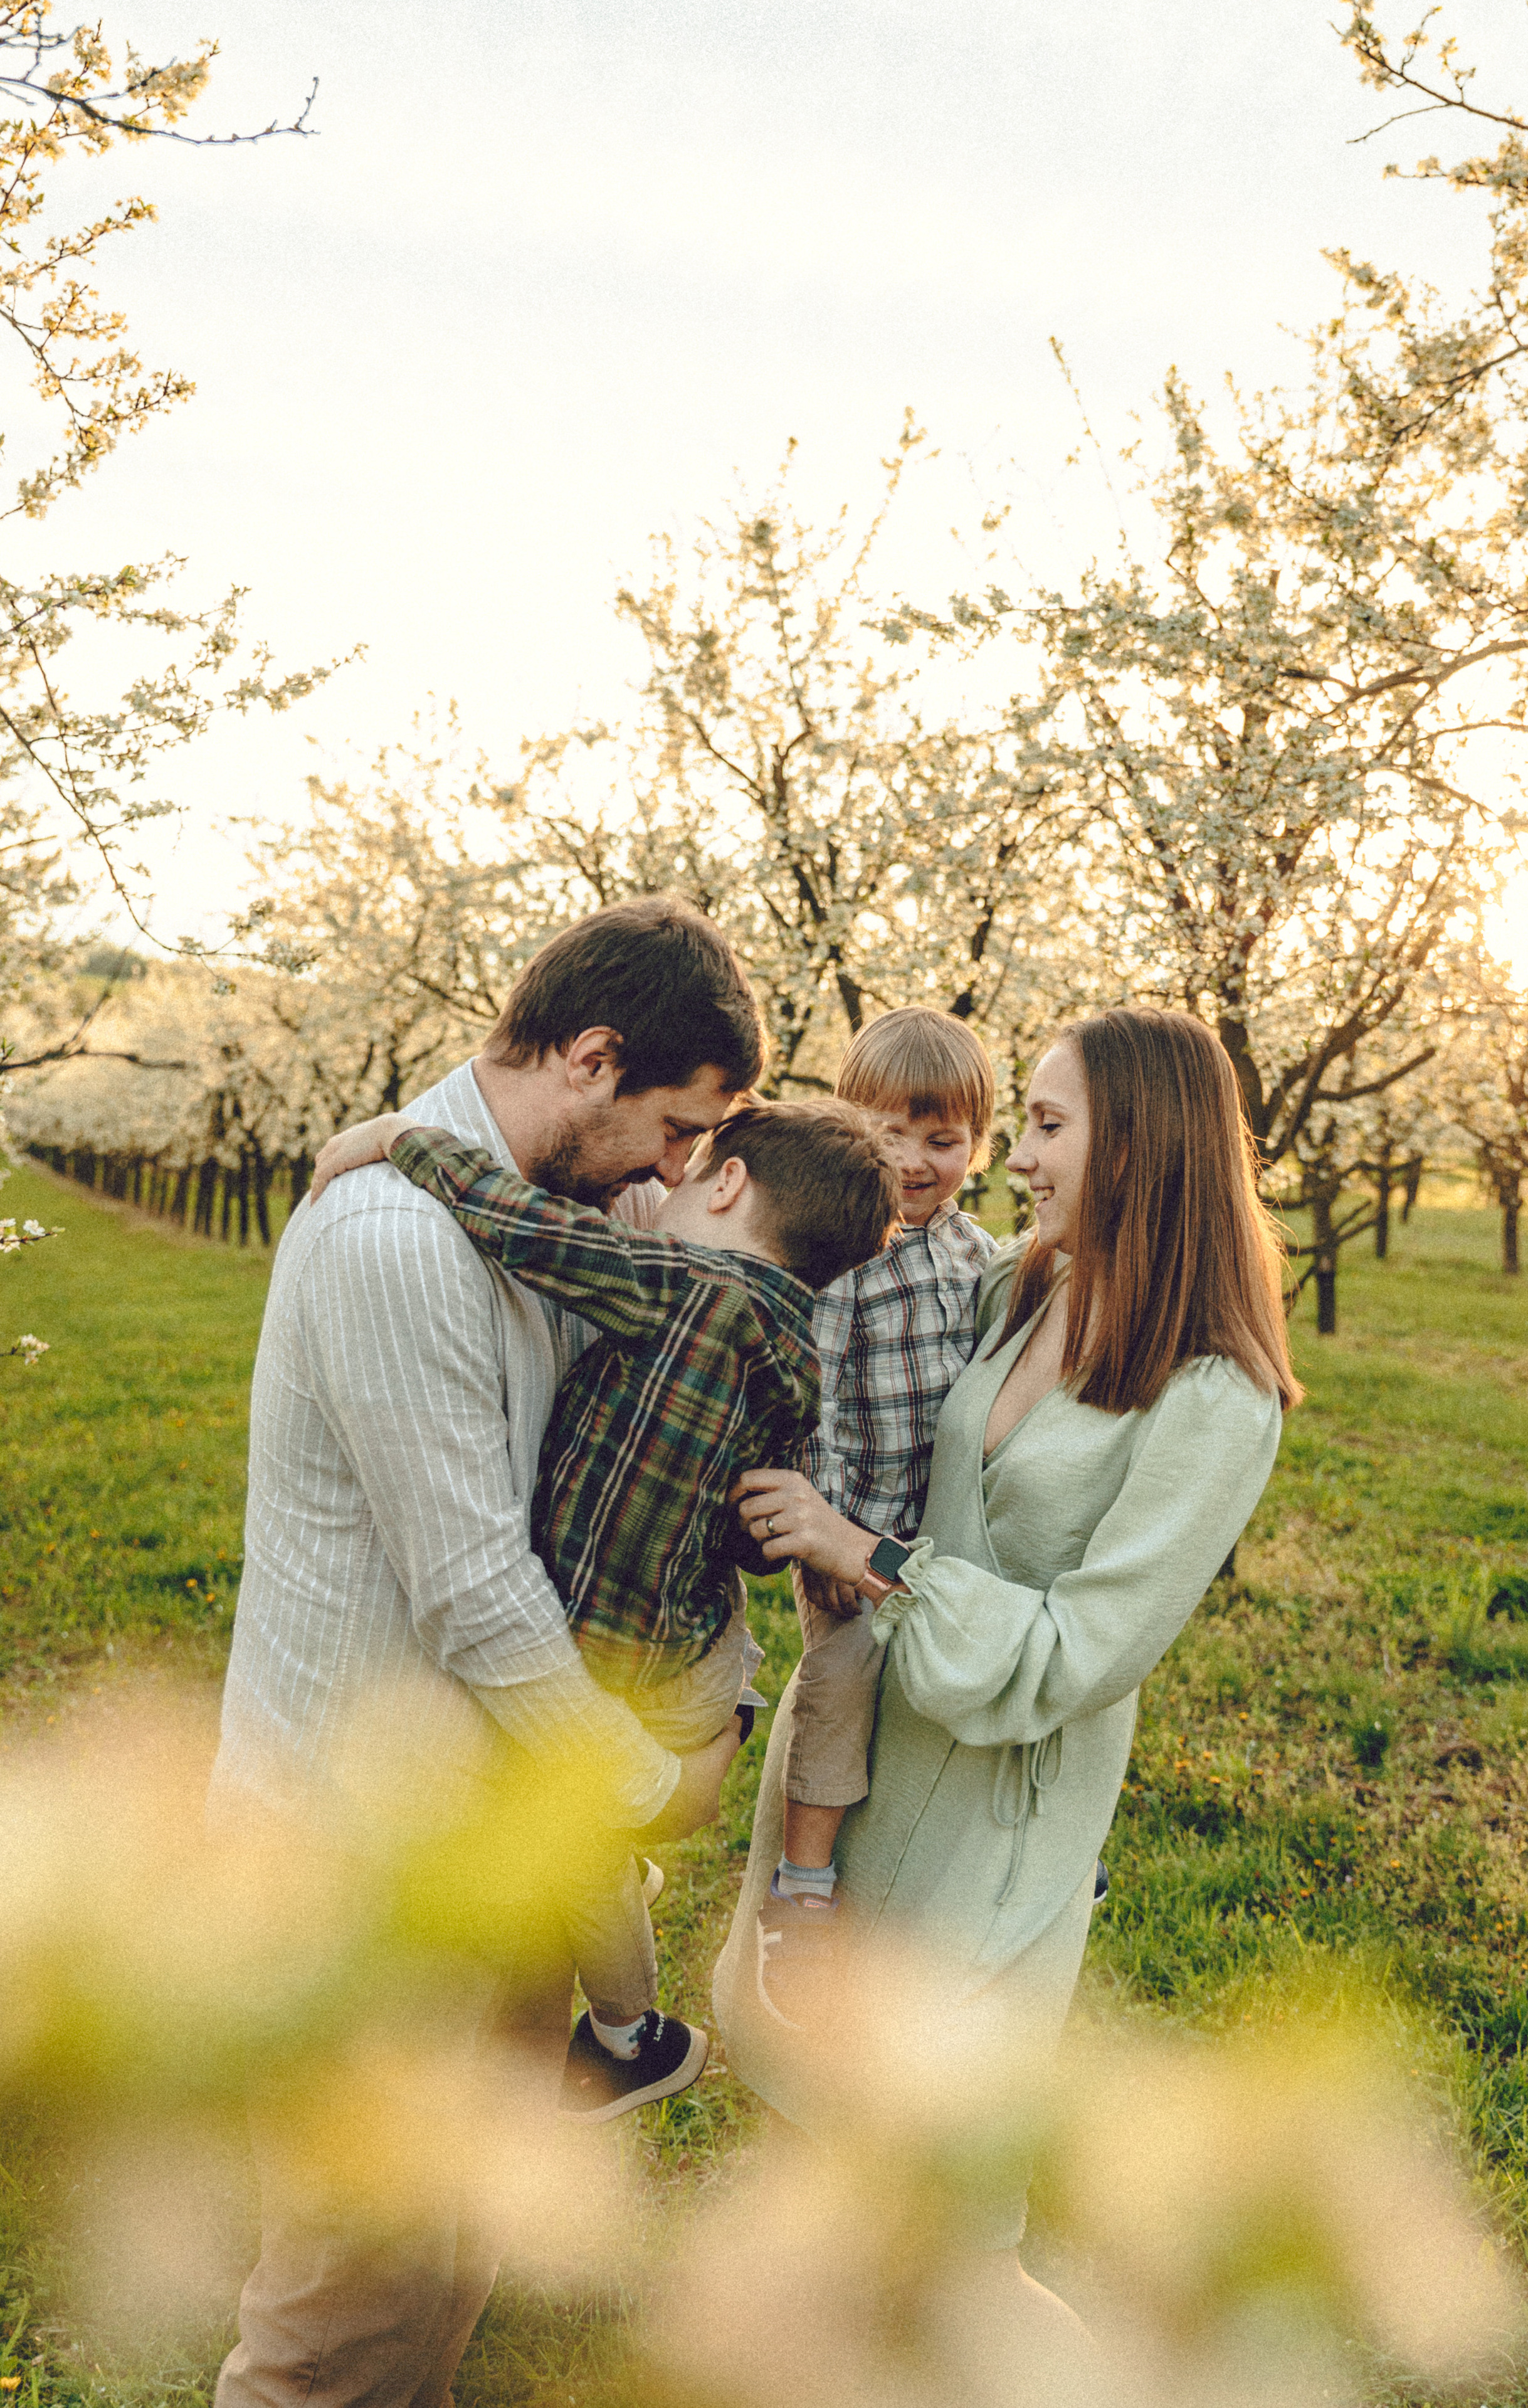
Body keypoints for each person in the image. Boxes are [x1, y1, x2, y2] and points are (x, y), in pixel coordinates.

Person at [211, 896, 767, 2408]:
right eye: (671, 1126)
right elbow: (469, 1590)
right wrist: (644, 1789)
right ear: (591, 1059)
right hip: (360, 1860)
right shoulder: (399, 1242)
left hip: (495, 1837)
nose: (676, 1170)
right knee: (338, 2314)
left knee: (447, 2267)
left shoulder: (550, 1209)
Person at [718, 1006, 1299, 2299]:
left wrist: (866, 1556)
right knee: (801, 2141)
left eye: (1041, 1127)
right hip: (859, 1757)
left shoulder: (1214, 1397)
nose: (1014, 1160)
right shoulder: (1025, 1282)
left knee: (938, 2226)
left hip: (993, 1815)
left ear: (1140, 1149)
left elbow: (1078, 1654)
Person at [307, 1095, 902, 2120]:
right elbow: (756, 1539)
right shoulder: (795, 1357)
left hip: (617, 1656)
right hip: (697, 1651)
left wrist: (402, 1139)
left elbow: (529, 1230)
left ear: (726, 1184)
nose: (663, 1183)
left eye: (690, 1161)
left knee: (577, 1850)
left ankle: (631, 2036)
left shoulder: (682, 1288)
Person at [760, 1008, 997, 2012]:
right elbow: (818, 1400)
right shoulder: (839, 1253)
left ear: (977, 1148)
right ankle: (804, 1882)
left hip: (941, 1533)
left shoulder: (979, 1255)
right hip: (849, 1525)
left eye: (941, 1140)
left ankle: (1024, 1849)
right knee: (847, 1679)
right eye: (888, 1134)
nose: (912, 1160)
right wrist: (831, 1547)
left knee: (973, 1677)